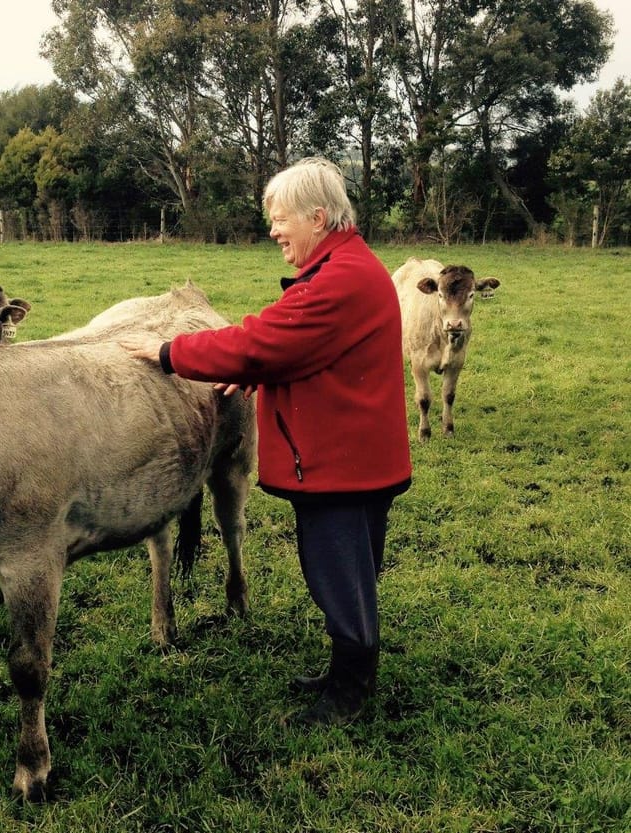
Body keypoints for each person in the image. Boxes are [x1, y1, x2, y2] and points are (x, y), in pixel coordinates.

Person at [120, 157, 412, 726]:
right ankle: (346, 670)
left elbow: (264, 339)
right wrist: (258, 371)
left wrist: (169, 352)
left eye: (280, 219)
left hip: (344, 467)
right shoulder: (348, 265)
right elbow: (308, 350)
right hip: (355, 459)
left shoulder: (339, 280)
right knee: (347, 570)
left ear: (319, 218)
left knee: (340, 574)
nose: (273, 230)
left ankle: (350, 693)